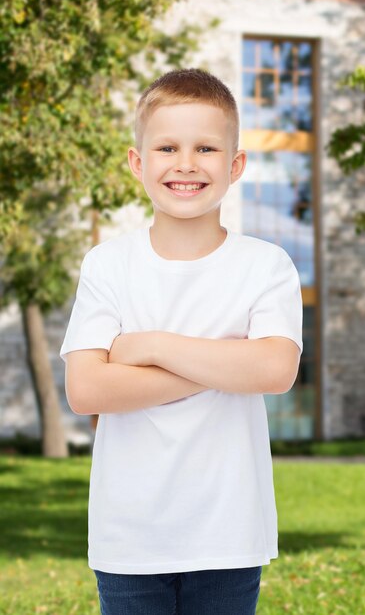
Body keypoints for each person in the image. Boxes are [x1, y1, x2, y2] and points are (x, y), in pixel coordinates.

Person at [60, 68, 303, 615]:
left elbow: (274, 371)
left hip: (229, 531)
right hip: (129, 536)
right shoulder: (108, 264)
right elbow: (87, 389)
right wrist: (225, 362)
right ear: (137, 163)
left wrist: (148, 346)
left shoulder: (266, 266)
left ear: (236, 165)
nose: (186, 164)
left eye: (206, 148)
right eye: (167, 147)